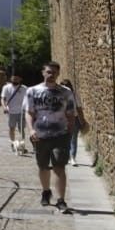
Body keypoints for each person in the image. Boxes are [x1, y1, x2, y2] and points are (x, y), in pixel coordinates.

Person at [25, 60, 77, 211]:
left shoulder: (66, 92)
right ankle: (46, 191)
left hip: (60, 135)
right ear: (43, 73)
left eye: (54, 72)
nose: (51, 75)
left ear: (58, 74)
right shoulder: (32, 91)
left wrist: (70, 132)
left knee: (59, 167)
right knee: (43, 167)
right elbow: (29, 112)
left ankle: (61, 200)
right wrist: (31, 130)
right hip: (40, 135)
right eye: (48, 72)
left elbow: (71, 114)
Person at [60, 78, 86, 166]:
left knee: (73, 139)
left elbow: (79, 108)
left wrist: (82, 120)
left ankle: (73, 158)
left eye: (67, 87)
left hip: (73, 119)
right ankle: (68, 157)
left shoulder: (74, 95)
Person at [0, 73, 27, 153]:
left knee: (21, 129)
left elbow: (28, 99)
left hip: (22, 112)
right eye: (13, 78)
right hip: (11, 112)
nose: (14, 80)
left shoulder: (24, 88)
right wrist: (4, 107)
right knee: (12, 128)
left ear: (20, 79)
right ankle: (13, 143)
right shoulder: (6, 87)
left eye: (16, 78)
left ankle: (21, 146)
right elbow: (2, 98)